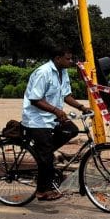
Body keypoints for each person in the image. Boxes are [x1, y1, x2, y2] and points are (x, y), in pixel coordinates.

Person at [21, 46, 88, 201]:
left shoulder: (62, 73)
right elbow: (35, 99)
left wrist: (82, 107)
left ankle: (43, 156)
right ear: (58, 58)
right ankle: (42, 190)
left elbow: (66, 95)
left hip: (51, 118)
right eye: (68, 58)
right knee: (47, 157)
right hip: (36, 120)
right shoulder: (43, 72)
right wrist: (57, 111)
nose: (71, 61)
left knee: (71, 130)